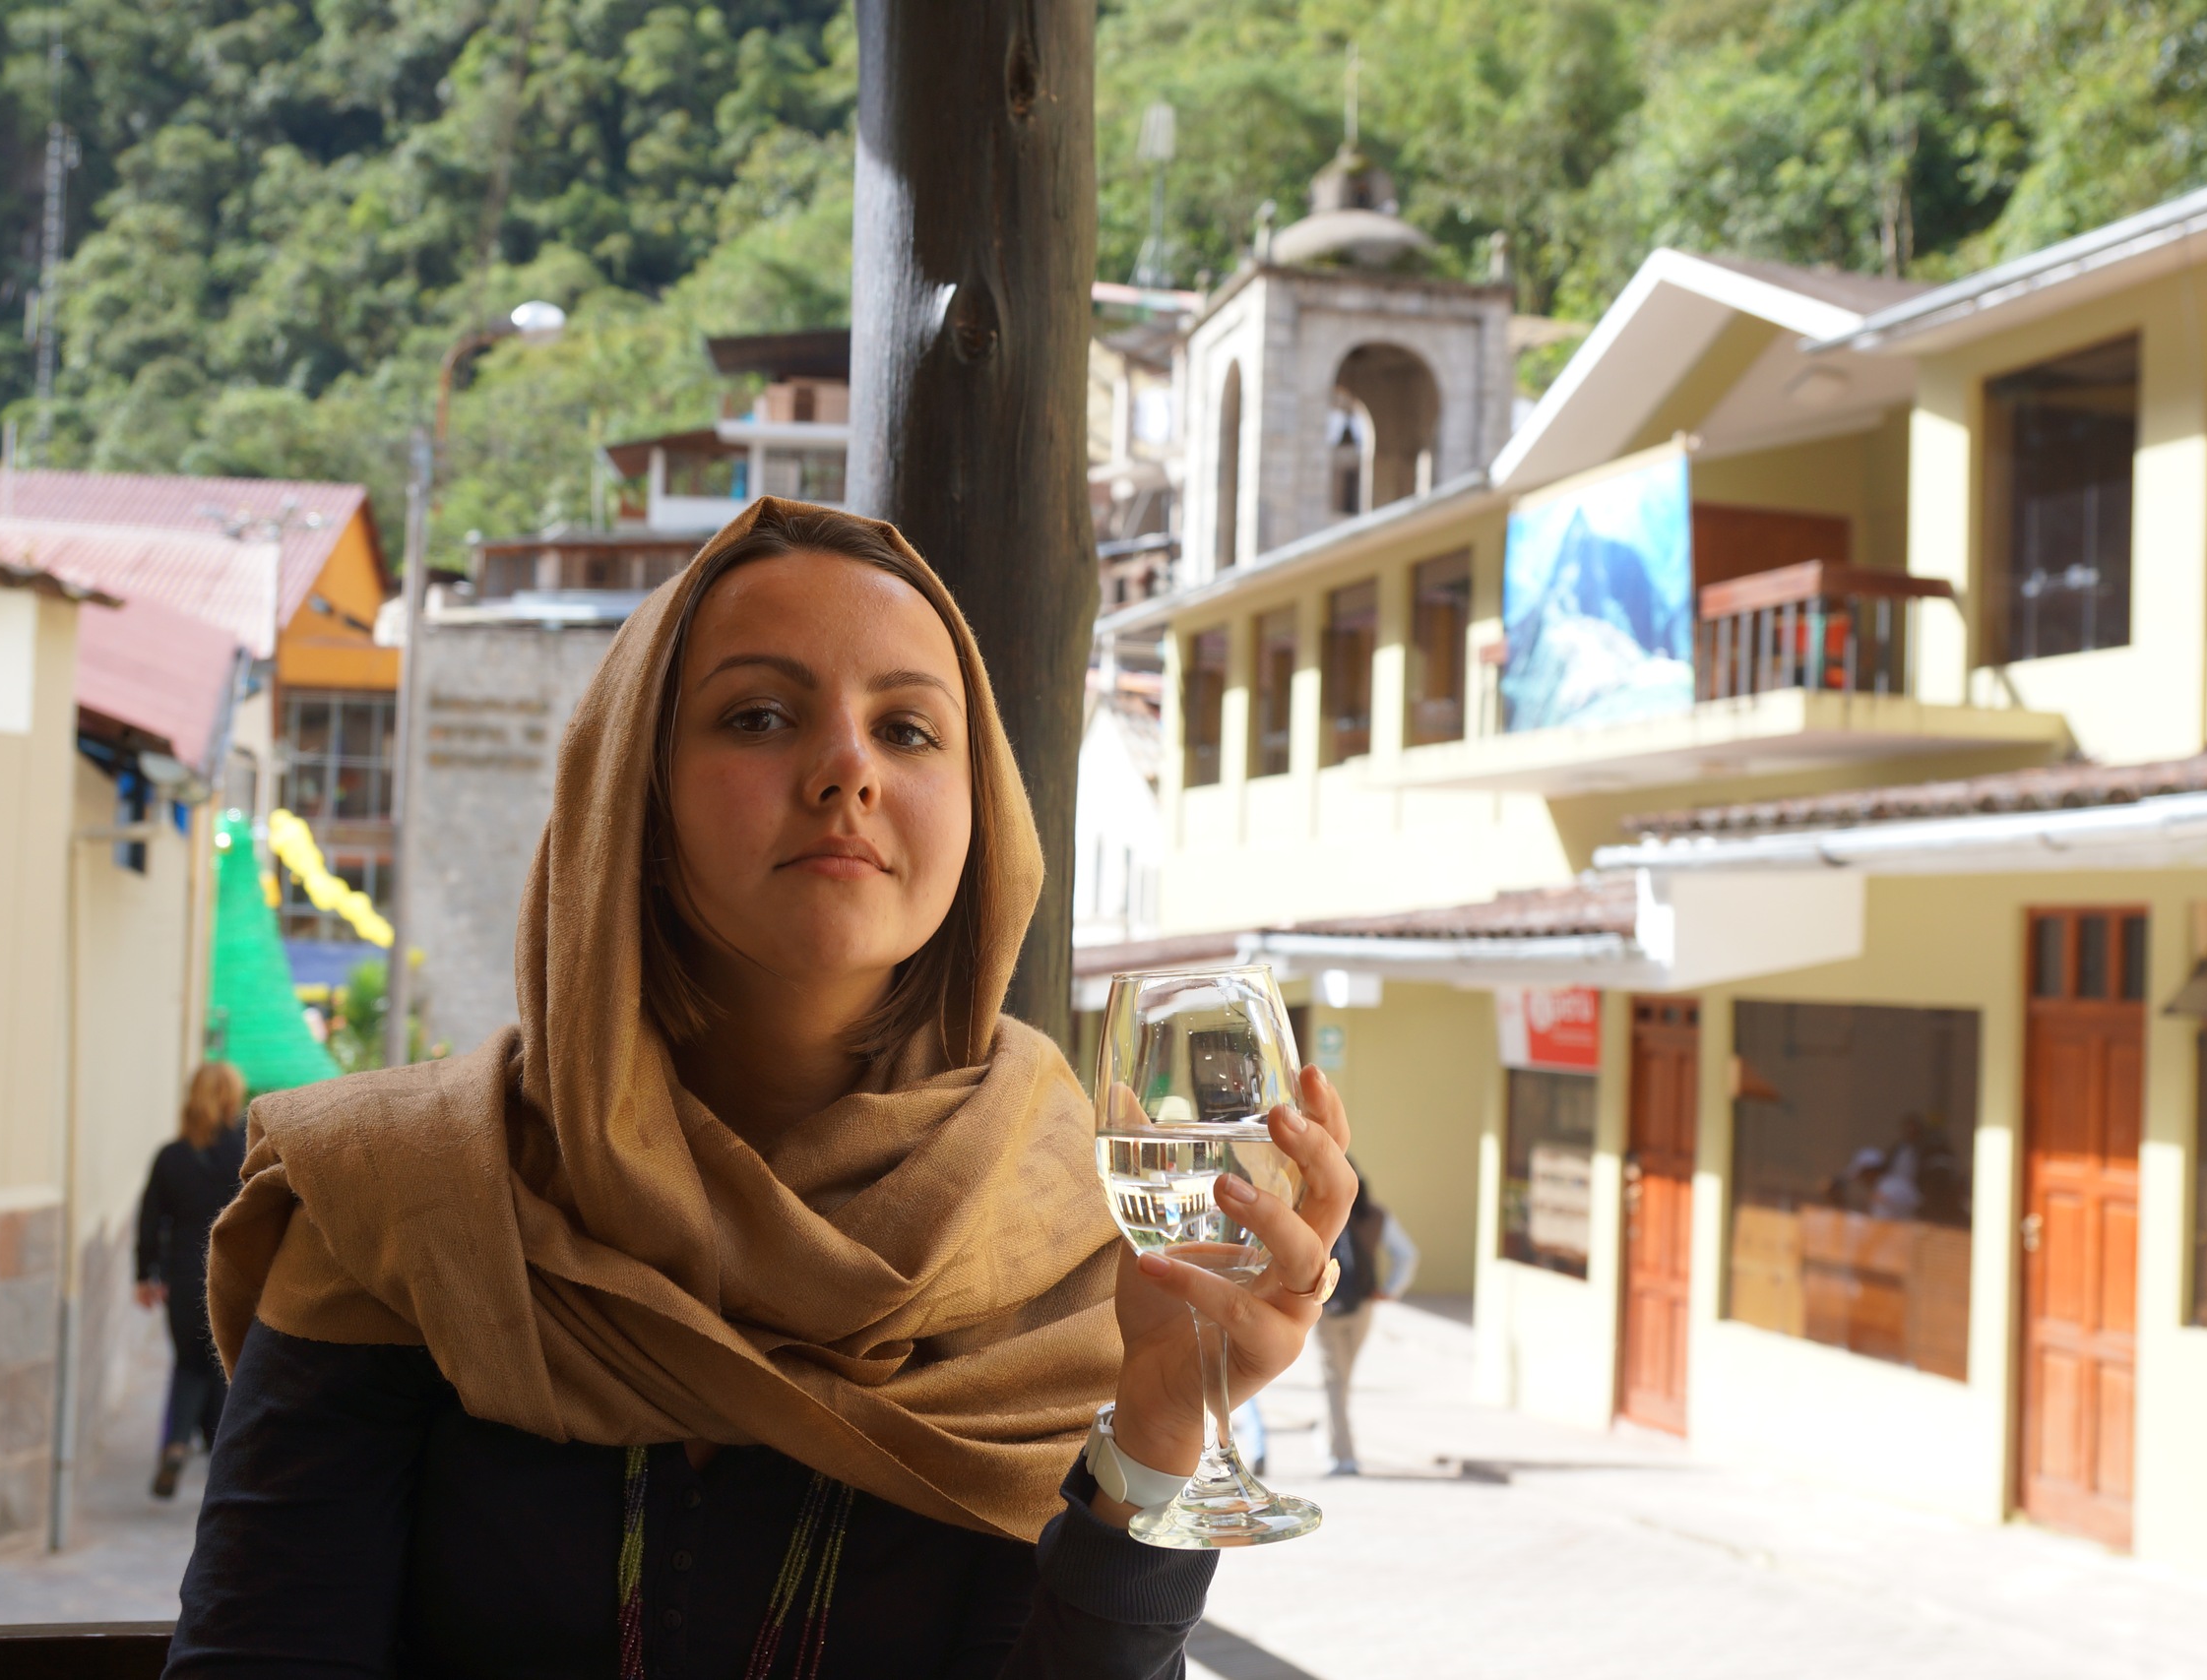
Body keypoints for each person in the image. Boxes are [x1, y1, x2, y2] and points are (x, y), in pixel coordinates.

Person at [165, 500, 1358, 1678]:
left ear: (982, 817)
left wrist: (1160, 1430)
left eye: (907, 730)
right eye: (759, 717)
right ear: (632, 797)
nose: (847, 770)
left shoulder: (1071, 1246)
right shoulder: (399, 1200)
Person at [136, 1060, 249, 1499]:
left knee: (189, 1365)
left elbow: (150, 1221)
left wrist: (145, 1275)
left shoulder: (171, 1156)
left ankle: (176, 1446)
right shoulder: (246, 1153)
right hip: (234, 1277)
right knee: (222, 1367)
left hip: (183, 1279)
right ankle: (222, 1465)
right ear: (231, 1098)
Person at [1317, 1173, 1418, 1476]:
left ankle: (1341, 1453)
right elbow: (1407, 1255)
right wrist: (1390, 1290)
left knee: (1336, 1380)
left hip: (1325, 1309)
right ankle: (1335, 1444)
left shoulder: (1318, 1213)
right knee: (1341, 1380)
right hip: (1362, 1307)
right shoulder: (1375, 1216)